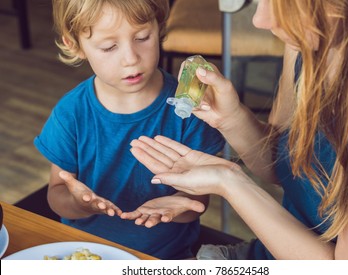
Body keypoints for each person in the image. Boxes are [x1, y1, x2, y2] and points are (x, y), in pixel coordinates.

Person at [129, 0, 348, 259]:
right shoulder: (305, 44)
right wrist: (230, 118)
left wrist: (229, 182)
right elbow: (285, 166)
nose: (260, 20)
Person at [34, 0, 225, 260]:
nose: (131, 58)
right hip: (87, 254)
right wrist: (79, 204)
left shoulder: (190, 109)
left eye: (143, 37)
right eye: (109, 46)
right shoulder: (71, 113)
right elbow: (57, 195)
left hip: (163, 257)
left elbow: (197, 204)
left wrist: (178, 207)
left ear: (159, 28)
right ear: (74, 45)